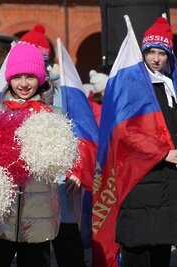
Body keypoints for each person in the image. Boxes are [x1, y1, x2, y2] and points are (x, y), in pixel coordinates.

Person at [0, 42, 60, 267]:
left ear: (41, 78)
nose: (23, 84)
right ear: (8, 79)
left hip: (38, 213)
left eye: (30, 77)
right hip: (2, 214)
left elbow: (60, 162)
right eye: (17, 77)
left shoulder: (53, 116)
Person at [21, 24, 88, 267]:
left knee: (67, 245)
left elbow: (80, 135)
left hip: (61, 183)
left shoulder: (65, 90)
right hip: (29, 190)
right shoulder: (10, 93)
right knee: (35, 253)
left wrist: (76, 170)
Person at [115, 16, 177, 267]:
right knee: (138, 248)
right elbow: (126, 132)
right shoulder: (134, 85)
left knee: (162, 245)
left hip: (167, 180)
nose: (156, 58)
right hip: (141, 176)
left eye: (161, 52)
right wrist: (162, 153)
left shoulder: (170, 85)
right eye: (150, 51)